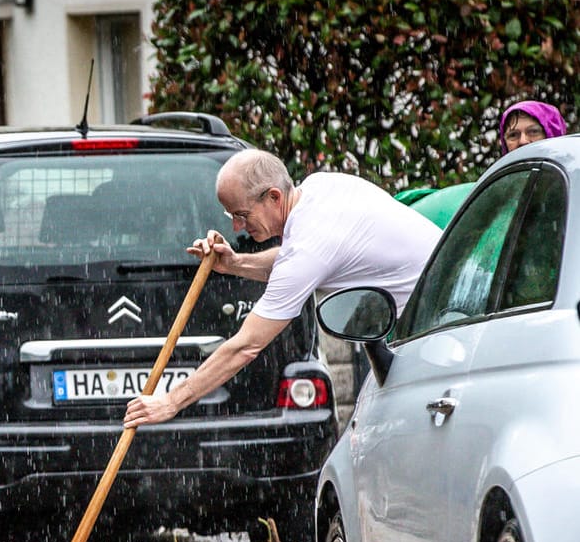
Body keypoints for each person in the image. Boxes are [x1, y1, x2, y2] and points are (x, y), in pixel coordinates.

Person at [123, 149, 442, 431]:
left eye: (241, 215)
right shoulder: (319, 189)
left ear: (274, 197)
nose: (236, 227)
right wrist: (235, 264)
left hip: (437, 335)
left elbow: (245, 346)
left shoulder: (308, 246)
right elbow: (299, 259)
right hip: (444, 313)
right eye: (231, 215)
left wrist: (171, 402)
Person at [402, 100, 569, 228]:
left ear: (553, 135)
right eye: (513, 135)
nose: (523, 141)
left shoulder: (571, 186)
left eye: (533, 132)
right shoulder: (494, 195)